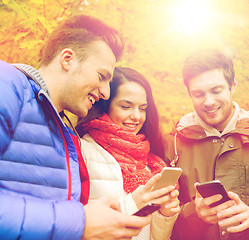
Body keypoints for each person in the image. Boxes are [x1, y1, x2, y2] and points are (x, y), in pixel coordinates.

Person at [0, 15, 151, 239]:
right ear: (68, 59)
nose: (105, 93)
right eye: (101, 76)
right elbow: (71, 221)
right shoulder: (8, 83)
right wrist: (79, 222)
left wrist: (130, 205)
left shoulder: (67, 133)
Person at [164, 49, 249, 239]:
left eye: (216, 91)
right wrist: (194, 212)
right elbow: (160, 218)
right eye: (198, 94)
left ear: (232, 85)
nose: (209, 102)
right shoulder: (171, 143)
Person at [76, 67, 181, 239]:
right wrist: (134, 203)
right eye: (126, 106)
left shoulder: (151, 161)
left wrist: (165, 215)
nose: (136, 116)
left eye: (143, 108)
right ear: (106, 106)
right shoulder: (84, 151)